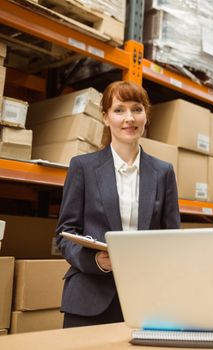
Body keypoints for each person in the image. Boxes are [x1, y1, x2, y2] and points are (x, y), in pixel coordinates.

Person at [56, 81, 181, 328]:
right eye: (119, 110)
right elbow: (64, 236)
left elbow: (173, 240)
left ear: (146, 116)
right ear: (105, 117)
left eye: (137, 109)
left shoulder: (163, 172)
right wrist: (96, 262)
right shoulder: (83, 167)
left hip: (147, 299)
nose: (129, 118)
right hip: (89, 298)